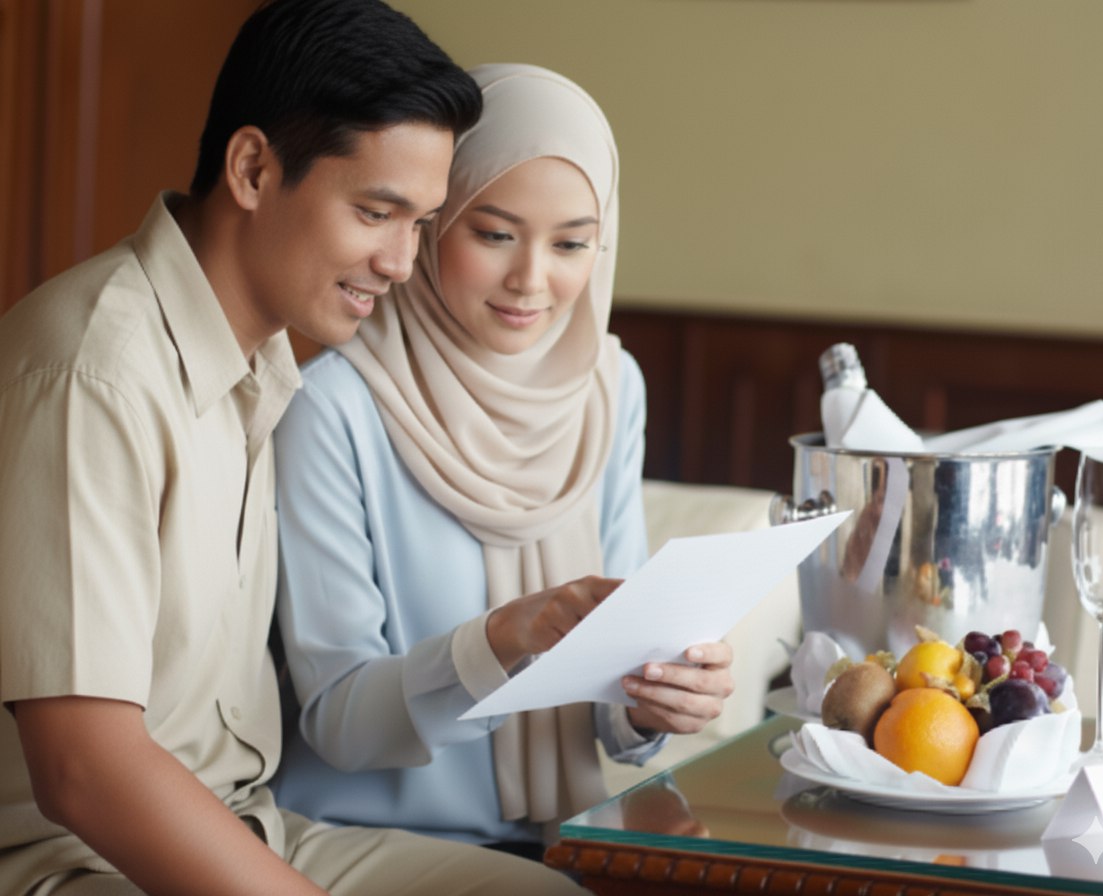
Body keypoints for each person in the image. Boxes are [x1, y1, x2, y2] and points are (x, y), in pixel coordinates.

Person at [0, 3, 587, 894]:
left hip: (252, 827)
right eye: (376, 211)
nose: (400, 261)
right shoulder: (95, 372)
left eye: (421, 223)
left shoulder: (263, 363)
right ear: (251, 169)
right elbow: (86, 771)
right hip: (74, 863)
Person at [272, 63, 735, 856]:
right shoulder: (330, 407)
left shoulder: (609, 387)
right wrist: (505, 636)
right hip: (360, 843)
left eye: (572, 243)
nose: (532, 280)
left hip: (557, 836)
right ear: (432, 222)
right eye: (493, 233)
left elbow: (612, 657)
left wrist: (655, 700)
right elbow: (340, 720)